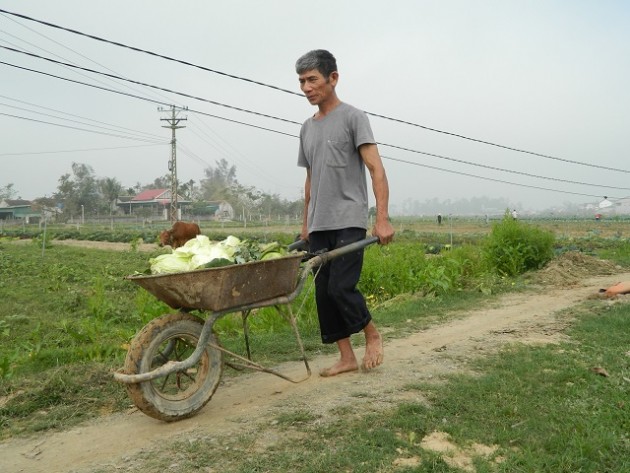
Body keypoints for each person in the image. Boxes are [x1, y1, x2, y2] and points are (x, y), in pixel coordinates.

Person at [295, 49, 395, 377]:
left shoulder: (354, 117)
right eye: (301, 81)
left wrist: (381, 218)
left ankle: (372, 334)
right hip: (319, 223)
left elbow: (375, 169)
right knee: (324, 293)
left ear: (333, 78)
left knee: (341, 287)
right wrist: (305, 224)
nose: (306, 87)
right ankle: (346, 356)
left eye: (312, 80)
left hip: (349, 218)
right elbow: (310, 180)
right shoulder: (306, 129)